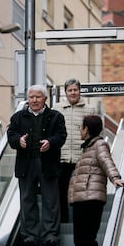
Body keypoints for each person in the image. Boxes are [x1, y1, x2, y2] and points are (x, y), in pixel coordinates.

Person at [68, 115, 124, 246]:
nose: (80, 130)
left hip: (91, 199)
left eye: (81, 127)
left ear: (86, 129)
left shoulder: (99, 145)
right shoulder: (88, 148)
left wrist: (115, 178)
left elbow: (107, 161)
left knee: (87, 238)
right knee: (80, 239)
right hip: (82, 199)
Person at [7, 84, 67, 246]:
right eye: (31, 97)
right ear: (27, 99)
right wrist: (18, 141)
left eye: (38, 97)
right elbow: (11, 135)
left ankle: (51, 235)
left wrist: (50, 142)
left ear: (45, 99)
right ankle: (29, 235)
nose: (34, 100)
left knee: (51, 200)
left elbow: (61, 136)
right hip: (26, 164)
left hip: (48, 163)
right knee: (27, 200)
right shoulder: (18, 117)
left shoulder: (56, 116)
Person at [53, 78, 96, 223]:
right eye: (70, 90)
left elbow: (95, 135)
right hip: (62, 158)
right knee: (61, 192)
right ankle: (64, 221)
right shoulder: (56, 109)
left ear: (80, 91)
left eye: (75, 90)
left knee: (80, 193)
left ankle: (80, 222)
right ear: (65, 92)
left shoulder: (90, 110)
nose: (73, 93)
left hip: (81, 159)